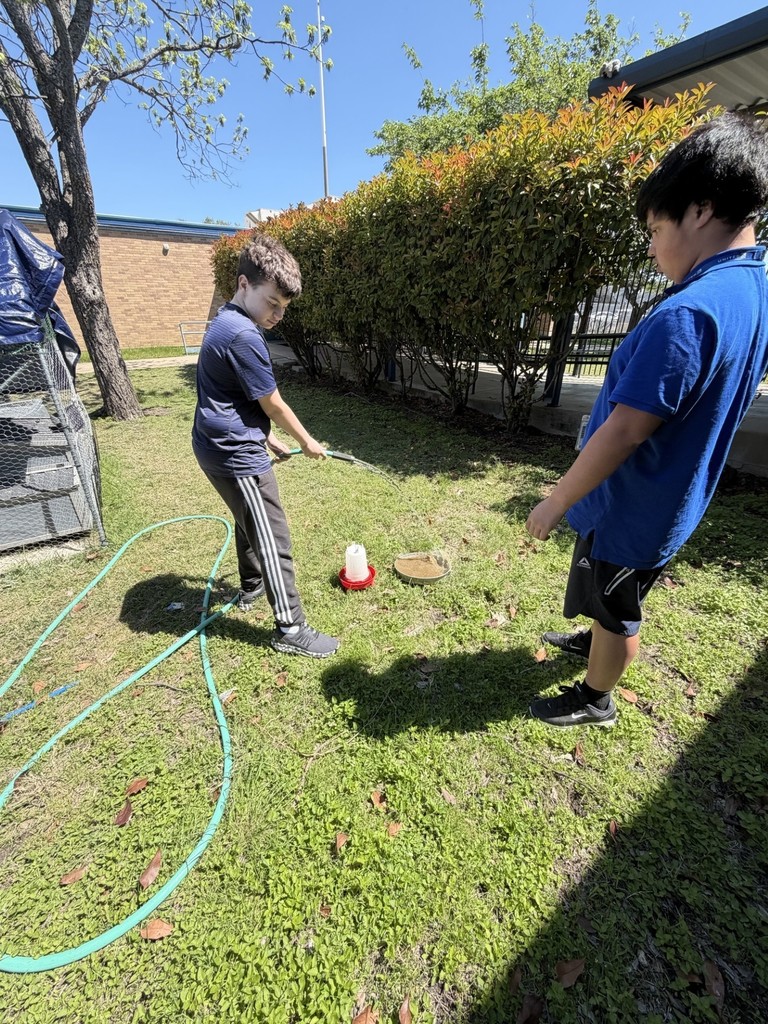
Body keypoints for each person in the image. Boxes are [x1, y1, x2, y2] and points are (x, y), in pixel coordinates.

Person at [525, 112, 768, 727]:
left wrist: (554, 503)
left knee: (618, 608)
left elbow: (626, 431)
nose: (653, 247)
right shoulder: (753, 291)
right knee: (611, 590)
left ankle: (595, 697)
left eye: (657, 228)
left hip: (637, 506)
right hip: (670, 499)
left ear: (701, 210)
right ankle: (593, 647)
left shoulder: (690, 314)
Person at [192, 235, 339, 658]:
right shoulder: (245, 336)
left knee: (247, 517)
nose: (277, 315)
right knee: (272, 537)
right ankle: (291, 629)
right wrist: (307, 442)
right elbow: (272, 403)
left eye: (283, 308)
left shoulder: (224, 321)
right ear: (243, 283)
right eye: (272, 302)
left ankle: (253, 586)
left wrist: (269, 438)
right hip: (234, 454)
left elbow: (230, 397)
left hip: (213, 445)